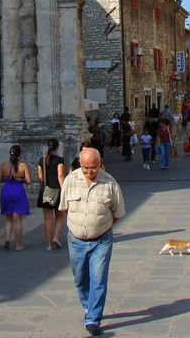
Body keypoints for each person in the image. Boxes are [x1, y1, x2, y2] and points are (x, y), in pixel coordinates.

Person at [59, 148, 125, 337]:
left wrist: (101, 226)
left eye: (93, 168)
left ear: (100, 163)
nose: (89, 172)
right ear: (80, 164)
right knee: (80, 278)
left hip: (101, 240)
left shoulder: (110, 182)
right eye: (86, 168)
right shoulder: (70, 181)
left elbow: (118, 213)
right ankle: (88, 305)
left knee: (98, 278)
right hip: (76, 240)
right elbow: (64, 208)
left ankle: (93, 317)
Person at [0, 144, 31, 250]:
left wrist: (6, 179)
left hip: (6, 190)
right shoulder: (22, 166)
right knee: (18, 219)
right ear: (19, 155)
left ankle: (7, 238)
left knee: (8, 217)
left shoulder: (3, 166)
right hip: (18, 190)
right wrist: (21, 180)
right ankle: (18, 244)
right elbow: (29, 181)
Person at [37, 138, 66, 251]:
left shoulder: (41, 161)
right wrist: (64, 191)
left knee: (48, 219)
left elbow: (40, 178)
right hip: (57, 191)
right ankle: (56, 237)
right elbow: (60, 176)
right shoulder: (59, 160)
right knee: (59, 216)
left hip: (45, 192)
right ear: (57, 147)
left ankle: (49, 244)